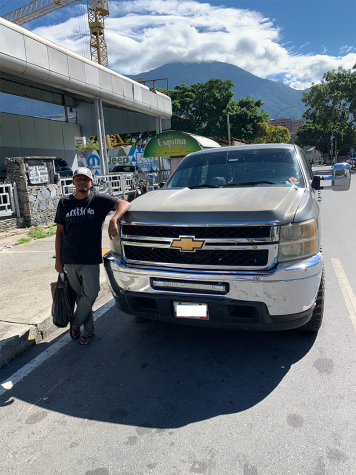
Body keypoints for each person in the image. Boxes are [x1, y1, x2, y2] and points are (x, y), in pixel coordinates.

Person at [54, 167, 131, 347]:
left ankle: (75, 323)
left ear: (91, 182)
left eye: (85, 179)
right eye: (78, 178)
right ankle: (88, 331)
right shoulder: (64, 203)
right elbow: (59, 233)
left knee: (91, 293)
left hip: (89, 258)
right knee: (81, 297)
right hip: (69, 258)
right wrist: (58, 260)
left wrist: (114, 219)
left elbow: (124, 204)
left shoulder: (98, 200)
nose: (82, 181)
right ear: (73, 182)